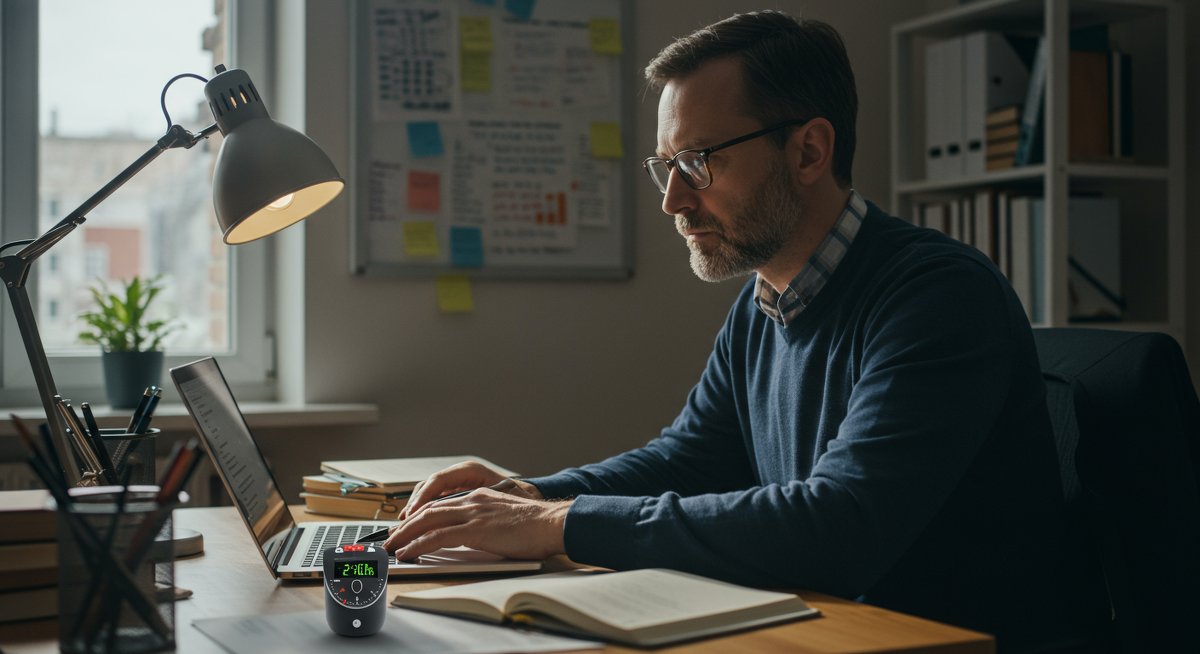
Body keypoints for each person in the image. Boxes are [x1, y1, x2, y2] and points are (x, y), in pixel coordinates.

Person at [384, 10, 1105, 651]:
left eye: (698, 161)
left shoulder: (938, 296)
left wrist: (556, 524)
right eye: (665, 166)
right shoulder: (767, 299)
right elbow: (690, 459)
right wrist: (529, 497)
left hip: (937, 641)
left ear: (809, 152)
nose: (672, 201)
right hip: (824, 630)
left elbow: (841, 525)